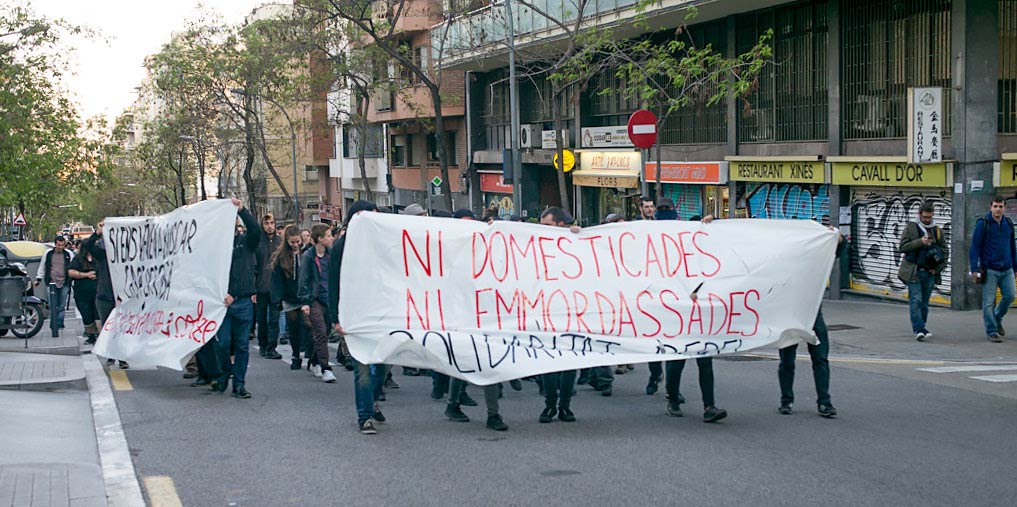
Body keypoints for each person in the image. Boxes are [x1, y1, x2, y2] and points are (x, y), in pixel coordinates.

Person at [329, 200, 386, 434]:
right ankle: (364, 417)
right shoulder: (343, 247)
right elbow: (334, 282)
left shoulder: (381, 245)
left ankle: (372, 401)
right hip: (355, 315)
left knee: (382, 365)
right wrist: (335, 317)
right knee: (363, 368)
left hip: (381, 314)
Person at [778, 230, 845, 418]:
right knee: (787, 360)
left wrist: (838, 239)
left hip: (813, 314)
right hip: (791, 314)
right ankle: (786, 400)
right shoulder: (784, 263)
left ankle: (824, 401)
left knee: (820, 358)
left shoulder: (818, 260)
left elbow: (839, 249)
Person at [212, 198, 261, 398]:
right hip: (222, 303)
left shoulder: (245, 243)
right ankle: (225, 373)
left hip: (242, 301)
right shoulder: (214, 246)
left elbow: (256, 231)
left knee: (241, 345)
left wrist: (243, 210)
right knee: (222, 343)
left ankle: (239, 383)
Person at [536, 206, 579, 423]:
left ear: (561, 225)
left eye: (548, 226)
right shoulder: (535, 244)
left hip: (571, 312)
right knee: (548, 362)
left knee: (569, 363)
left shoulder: (576, 243)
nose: (543, 230)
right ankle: (550, 404)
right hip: (546, 313)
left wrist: (580, 236)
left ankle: (565, 406)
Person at [898, 202, 949, 341]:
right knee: (916, 300)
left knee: (925, 302)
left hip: (929, 272)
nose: (927, 220)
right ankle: (918, 329)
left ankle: (922, 326)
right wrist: (920, 242)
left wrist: (938, 268)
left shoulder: (937, 230)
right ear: (919, 215)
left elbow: (944, 250)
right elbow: (902, 247)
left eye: (930, 217)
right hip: (914, 271)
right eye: (925, 217)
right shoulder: (911, 227)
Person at [969, 195, 1017, 343]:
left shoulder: (1008, 223)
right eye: (995, 206)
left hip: (1007, 268)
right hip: (990, 269)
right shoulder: (983, 224)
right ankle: (992, 331)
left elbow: (1012, 247)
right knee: (988, 302)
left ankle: (997, 318)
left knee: (1010, 295)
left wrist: (1015, 266)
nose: (998, 209)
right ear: (990, 207)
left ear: (1005, 208)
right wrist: (975, 268)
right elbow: (974, 247)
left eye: (1000, 206)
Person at [83, 222, 127, 369]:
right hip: (104, 295)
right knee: (108, 328)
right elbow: (88, 246)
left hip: (121, 297)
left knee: (120, 328)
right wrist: (97, 232)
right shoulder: (102, 255)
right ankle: (111, 355)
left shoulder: (125, 255)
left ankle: (122, 357)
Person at [298, 223, 337, 384]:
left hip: (329, 298)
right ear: (320, 239)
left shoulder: (331, 255)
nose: (331, 238)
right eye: (328, 235)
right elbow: (304, 279)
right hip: (314, 299)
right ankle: (326, 368)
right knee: (320, 331)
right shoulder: (308, 256)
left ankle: (314, 360)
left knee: (325, 332)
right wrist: (305, 301)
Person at [271, 226, 308, 370]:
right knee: (293, 327)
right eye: (292, 242)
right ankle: (295, 354)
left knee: (307, 324)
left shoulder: (306, 253)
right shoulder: (281, 257)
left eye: (297, 241)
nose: (295, 245)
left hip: (304, 295)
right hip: (289, 296)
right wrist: (277, 298)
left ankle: (309, 352)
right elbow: (277, 279)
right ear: (287, 241)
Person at [255, 214, 283, 359]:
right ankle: (263, 344)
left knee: (274, 319)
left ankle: (272, 347)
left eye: (272, 223)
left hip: (276, 287)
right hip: (260, 287)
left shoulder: (280, 242)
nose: (270, 226)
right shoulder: (258, 241)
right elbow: (253, 265)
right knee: (261, 319)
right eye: (267, 223)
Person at [36, 234, 73, 337]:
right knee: (52, 305)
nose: (60, 247)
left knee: (61, 305)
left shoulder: (68, 254)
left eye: (62, 245)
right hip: (51, 283)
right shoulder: (48, 254)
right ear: (55, 244)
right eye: (59, 245)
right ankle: (54, 325)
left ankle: (59, 324)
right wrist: (38, 278)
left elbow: (72, 267)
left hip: (64, 282)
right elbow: (42, 267)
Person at [67, 246, 99, 344]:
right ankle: (91, 335)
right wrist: (86, 275)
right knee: (86, 314)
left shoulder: (98, 258)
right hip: (82, 292)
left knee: (98, 314)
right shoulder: (78, 259)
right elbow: (71, 272)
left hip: (98, 291)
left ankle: (99, 335)